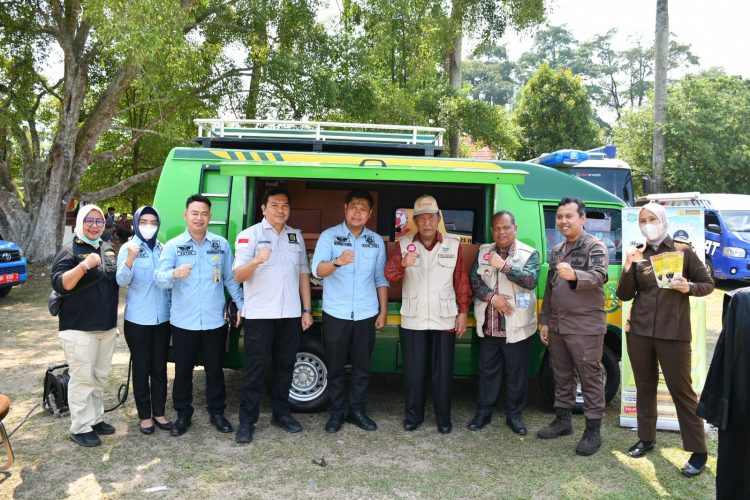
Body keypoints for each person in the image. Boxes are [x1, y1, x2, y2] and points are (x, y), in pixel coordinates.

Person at [616, 202, 714, 476]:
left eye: (652, 219)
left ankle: (698, 450)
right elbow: (625, 295)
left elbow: (708, 285)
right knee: (645, 387)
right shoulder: (638, 253)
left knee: (681, 391)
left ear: (662, 220)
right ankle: (646, 438)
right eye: (643, 220)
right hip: (640, 332)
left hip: (674, 333)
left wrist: (689, 287)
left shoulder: (683, 251)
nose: (648, 224)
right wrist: (627, 266)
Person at [155, 194, 244, 437]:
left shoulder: (221, 244)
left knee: (215, 370)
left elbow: (231, 279)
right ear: (186, 215)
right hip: (184, 321)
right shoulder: (174, 246)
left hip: (215, 321)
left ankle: (217, 412)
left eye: (204, 213)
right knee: (183, 371)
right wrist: (174, 273)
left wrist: (242, 304)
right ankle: (183, 414)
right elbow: (159, 279)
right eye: (195, 213)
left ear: (210, 217)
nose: (199, 218)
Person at [232, 188, 314, 444]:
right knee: (255, 370)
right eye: (275, 205)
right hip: (260, 315)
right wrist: (257, 260)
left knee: (284, 367)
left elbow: (303, 274)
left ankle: (281, 413)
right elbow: (238, 276)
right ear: (264, 208)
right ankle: (247, 421)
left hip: (290, 313)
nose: (281, 209)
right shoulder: (249, 236)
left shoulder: (295, 237)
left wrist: (306, 309)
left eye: (285, 205)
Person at [384, 195, 471, 434]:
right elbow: (390, 275)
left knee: (442, 373)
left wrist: (463, 312)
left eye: (431, 218)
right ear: (415, 221)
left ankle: (443, 419)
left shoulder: (453, 245)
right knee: (414, 372)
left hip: (444, 318)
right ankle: (413, 417)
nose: (426, 224)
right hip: (414, 319)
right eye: (421, 219)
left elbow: (461, 281)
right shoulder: (403, 245)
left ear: (438, 219)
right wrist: (402, 263)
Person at [537, 197, 609, 456]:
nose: (563, 221)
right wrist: (545, 320)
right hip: (558, 325)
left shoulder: (594, 246)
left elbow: (601, 275)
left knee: (589, 378)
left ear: (582, 218)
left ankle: (592, 431)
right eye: (559, 217)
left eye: (569, 216)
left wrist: (576, 275)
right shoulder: (557, 250)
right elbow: (550, 287)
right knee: (561, 375)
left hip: (585, 326)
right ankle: (562, 420)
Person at [311, 190, 388, 433]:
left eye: (363, 208)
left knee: (362, 367)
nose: (358, 212)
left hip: (366, 313)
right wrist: (337, 262)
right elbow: (317, 271)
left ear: (370, 213)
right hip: (336, 313)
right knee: (334, 366)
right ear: (345, 208)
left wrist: (383, 311)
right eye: (354, 207)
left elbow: (380, 278)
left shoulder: (375, 241)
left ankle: (357, 411)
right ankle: (336, 413)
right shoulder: (329, 236)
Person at [50, 204, 119, 447]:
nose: (94, 225)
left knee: (99, 377)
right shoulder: (69, 251)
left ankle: (96, 418)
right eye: (89, 220)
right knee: (82, 379)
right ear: (80, 222)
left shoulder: (107, 249)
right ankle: (80, 427)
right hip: (79, 328)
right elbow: (61, 284)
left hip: (106, 327)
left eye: (99, 221)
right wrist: (83, 266)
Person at [467, 210, 540, 436]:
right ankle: (483, 412)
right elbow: (475, 280)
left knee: (517, 374)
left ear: (515, 229)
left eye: (506, 227)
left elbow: (530, 280)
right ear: (492, 230)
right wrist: (492, 298)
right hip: (490, 326)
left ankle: (514, 415)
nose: (501, 232)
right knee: (487, 372)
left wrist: (504, 266)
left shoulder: (529, 254)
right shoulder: (483, 252)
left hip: (517, 327)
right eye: (497, 228)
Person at [116, 206, 172, 435]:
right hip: (138, 319)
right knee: (141, 367)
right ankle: (144, 415)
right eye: (144, 221)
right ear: (136, 224)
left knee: (159, 367)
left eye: (153, 222)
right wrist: (130, 258)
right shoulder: (128, 247)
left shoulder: (163, 248)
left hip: (163, 319)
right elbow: (121, 280)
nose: (149, 226)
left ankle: (159, 411)